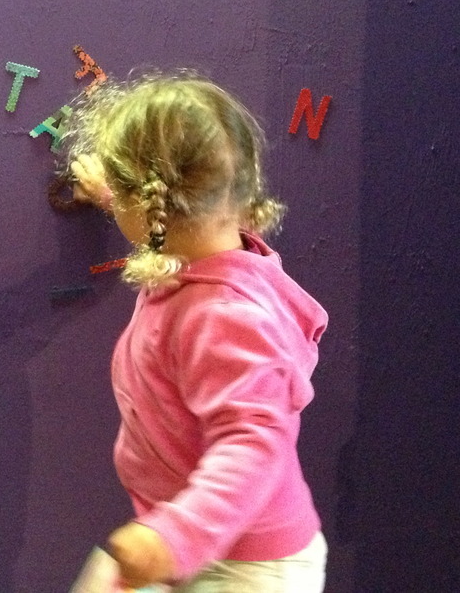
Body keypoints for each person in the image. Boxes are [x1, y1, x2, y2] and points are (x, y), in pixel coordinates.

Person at [62, 72, 328, 593]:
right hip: (204, 537)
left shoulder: (225, 316)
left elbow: (252, 442)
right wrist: (115, 198)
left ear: (150, 206)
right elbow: (174, 221)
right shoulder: (208, 253)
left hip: (247, 567)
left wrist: (173, 539)